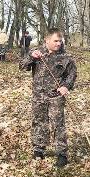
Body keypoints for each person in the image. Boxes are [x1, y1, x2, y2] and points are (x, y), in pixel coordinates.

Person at [19, 28, 77, 168]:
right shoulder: (37, 52)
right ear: (47, 40)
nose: (58, 43)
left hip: (56, 96)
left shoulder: (65, 56)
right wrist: (31, 57)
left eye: (60, 41)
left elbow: (72, 74)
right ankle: (38, 150)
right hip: (39, 96)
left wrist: (66, 86)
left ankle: (61, 154)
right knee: (39, 122)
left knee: (58, 124)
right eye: (55, 41)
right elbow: (22, 66)